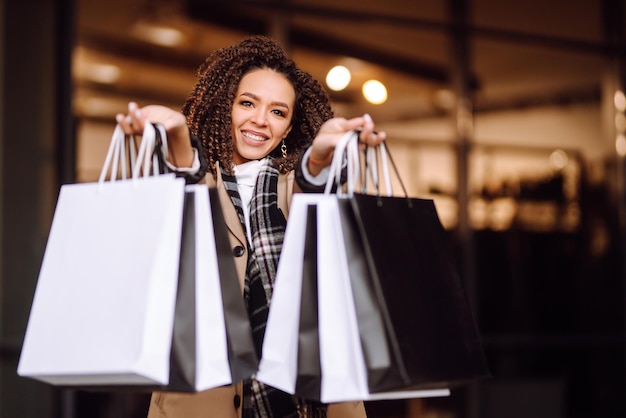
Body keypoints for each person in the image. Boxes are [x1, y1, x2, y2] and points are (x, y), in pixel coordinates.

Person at [116, 35, 386, 418]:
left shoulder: (298, 186)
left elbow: (315, 191)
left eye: (278, 112)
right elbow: (187, 180)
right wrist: (177, 136)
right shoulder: (196, 184)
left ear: (290, 127)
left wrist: (321, 157)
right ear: (225, 106)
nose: (260, 120)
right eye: (247, 103)